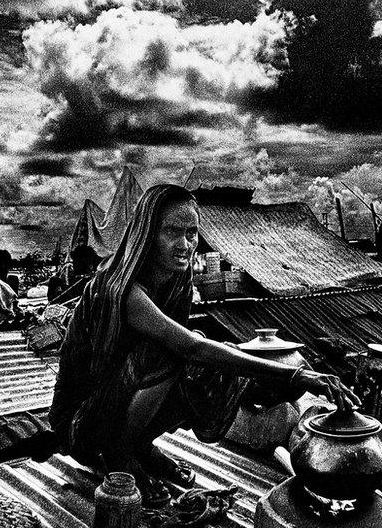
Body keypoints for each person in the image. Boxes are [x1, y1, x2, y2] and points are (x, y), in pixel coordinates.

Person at [48, 184, 358, 506]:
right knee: (175, 354)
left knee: (206, 370)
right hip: (81, 424)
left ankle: (140, 445)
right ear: (147, 233)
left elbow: (198, 353)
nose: (186, 244)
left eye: (192, 233)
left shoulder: (177, 282)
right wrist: (293, 376)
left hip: (116, 401)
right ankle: (120, 454)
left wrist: (266, 375)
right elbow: (190, 348)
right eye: (172, 232)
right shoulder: (123, 290)